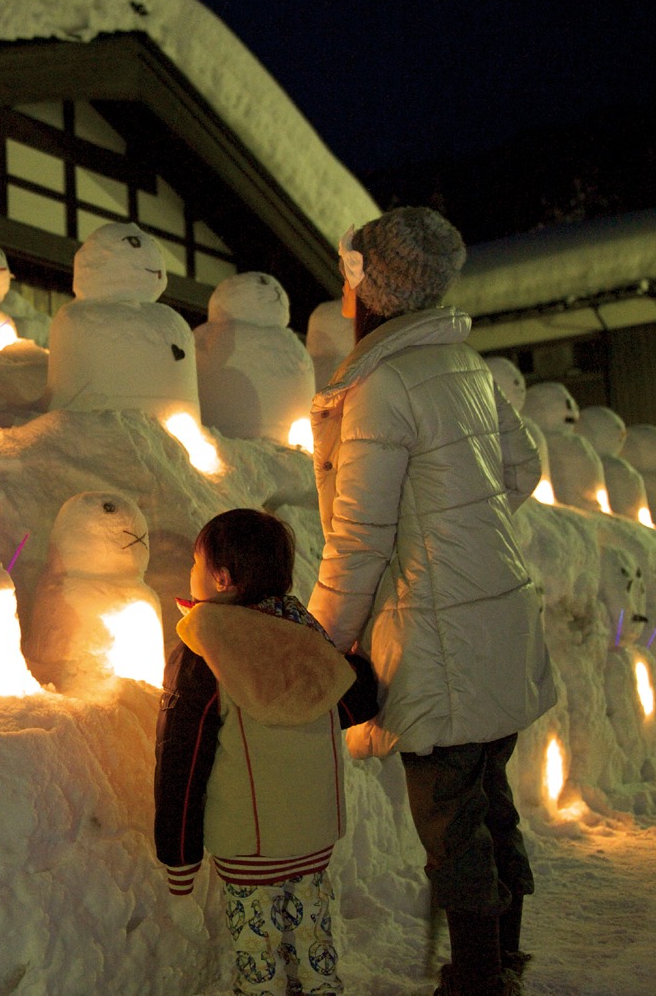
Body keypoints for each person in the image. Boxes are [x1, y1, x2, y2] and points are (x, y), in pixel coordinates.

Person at [307, 207, 555, 996]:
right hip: (498, 614)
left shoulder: (382, 386)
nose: (345, 292)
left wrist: (317, 644)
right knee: (489, 798)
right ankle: (504, 955)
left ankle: (477, 978)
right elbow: (523, 468)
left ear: (374, 287)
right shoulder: (465, 367)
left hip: (438, 635)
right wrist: (463, 534)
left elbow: (360, 538)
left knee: (450, 819)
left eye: (352, 275)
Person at [154, 508, 355, 996]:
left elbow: (183, 758)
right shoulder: (308, 635)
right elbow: (351, 700)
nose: (191, 572)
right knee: (313, 948)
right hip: (314, 839)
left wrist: (179, 860)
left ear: (221, 579)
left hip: (249, 848)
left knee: (259, 957)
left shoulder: (205, 651)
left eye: (196, 563)